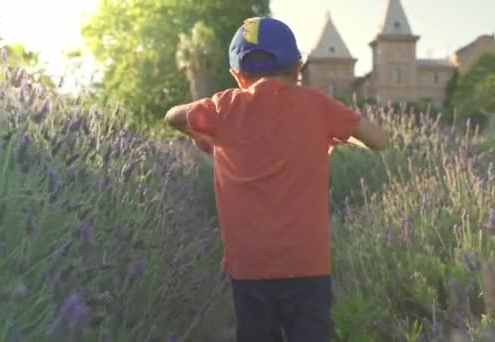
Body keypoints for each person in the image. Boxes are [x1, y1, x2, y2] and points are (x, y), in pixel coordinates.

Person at [165, 16, 390, 342]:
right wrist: (339, 135)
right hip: (307, 265)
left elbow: (172, 116)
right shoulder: (318, 105)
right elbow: (379, 140)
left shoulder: (223, 107)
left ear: (237, 75)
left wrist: (206, 134)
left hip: (249, 267)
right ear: (298, 67)